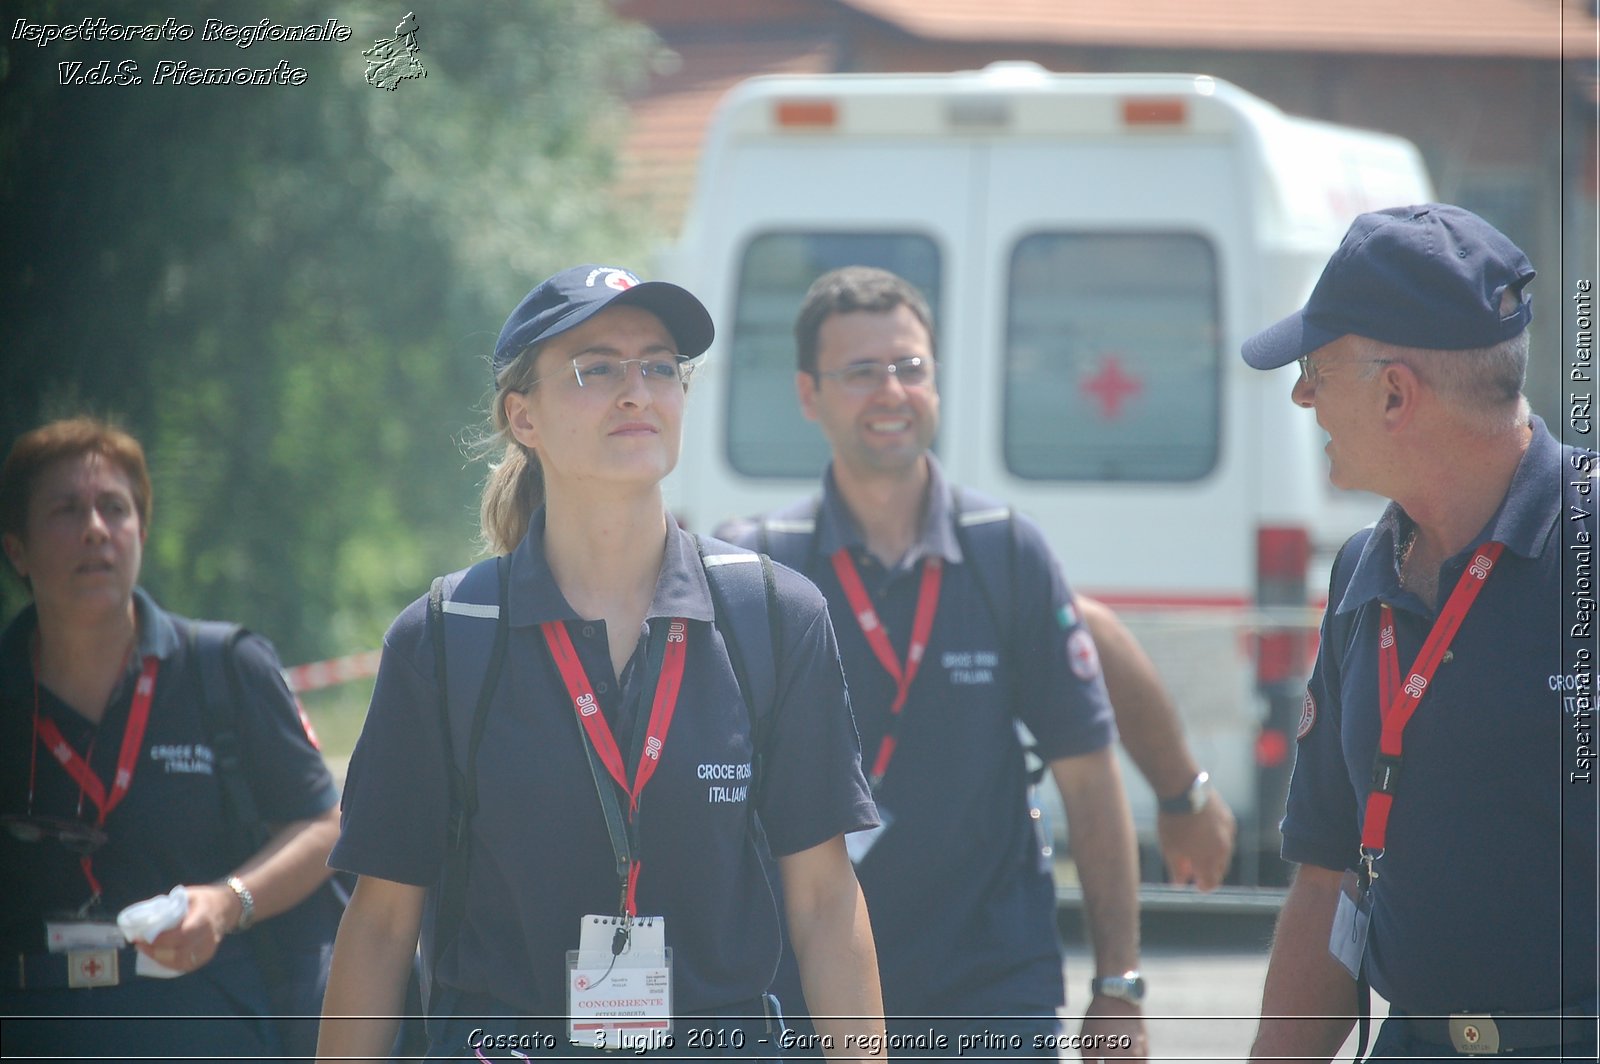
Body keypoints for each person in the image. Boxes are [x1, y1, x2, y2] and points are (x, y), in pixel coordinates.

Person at [317, 265, 885, 1061]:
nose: (637, 391)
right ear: (524, 417)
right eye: (597, 368)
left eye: (660, 366)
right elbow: (379, 926)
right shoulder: (447, 637)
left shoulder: (774, 616)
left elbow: (826, 904)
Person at [716, 265, 1229, 1060]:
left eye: (910, 367)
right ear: (808, 396)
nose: (891, 391)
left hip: (989, 987)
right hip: (808, 986)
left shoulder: (1007, 551)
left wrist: (1119, 986)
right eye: (860, 372)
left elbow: (1088, 780)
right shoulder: (760, 564)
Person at [1241, 204, 1597, 1061]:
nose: (1301, 394)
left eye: (1316, 368)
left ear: (1396, 392)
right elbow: (1328, 875)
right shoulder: (1363, 572)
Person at [0, 416, 342, 1060]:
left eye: (114, 508)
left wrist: (226, 903)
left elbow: (324, 826)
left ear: (141, 531)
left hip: (203, 1019)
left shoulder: (224, 666)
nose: (95, 529)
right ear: (16, 549)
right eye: (67, 510)